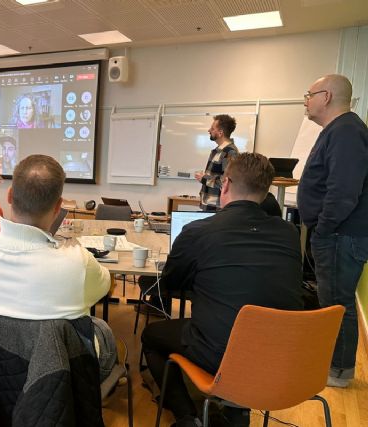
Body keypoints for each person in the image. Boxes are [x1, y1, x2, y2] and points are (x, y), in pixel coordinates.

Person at [142, 153, 303, 427]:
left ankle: (187, 416)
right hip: (281, 355)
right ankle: (235, 410)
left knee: (151, 336)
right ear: (266, 191)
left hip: (223, 356)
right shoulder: (289, 233)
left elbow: (169, 284)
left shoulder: (198, 231)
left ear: (225, 184)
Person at [0, 154, 116, 380]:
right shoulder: (77, 262)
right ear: (58, 206)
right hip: (58, 381)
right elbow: (107, 286)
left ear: (9, 196)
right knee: (102, 328)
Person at [298, 74, 368, 388]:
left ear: (326, 96)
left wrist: (323, 229)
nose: (305, 100)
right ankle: (333, 364)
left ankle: (339, 372)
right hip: (337, 234)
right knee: (333, 301)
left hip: (340, 235)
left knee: (336, 305)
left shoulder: (347, 132)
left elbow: (343, 191)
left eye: (308, 94)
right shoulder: (340, 130)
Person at [194, 114, 239, 211]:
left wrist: (204, 178)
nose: (209, 130)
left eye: (212, 128)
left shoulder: (230, 152)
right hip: (209, 205)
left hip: (217, 208)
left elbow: (228, 182)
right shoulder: (217, 151)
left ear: (220, 132)